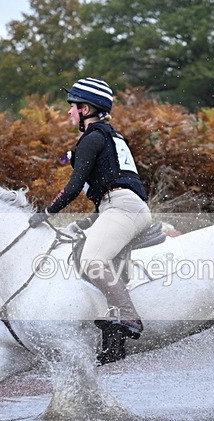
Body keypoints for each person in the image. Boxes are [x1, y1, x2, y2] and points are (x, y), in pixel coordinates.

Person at [28, 77, 151, 338]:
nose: (68, 111)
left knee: (92, 260)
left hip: (121, 207)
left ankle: (129, 317)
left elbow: (73, 188)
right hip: (121, 206)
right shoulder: (112, 136)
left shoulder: (92, 138)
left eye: (72, 106)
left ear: (85, 109)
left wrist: (46, 212)